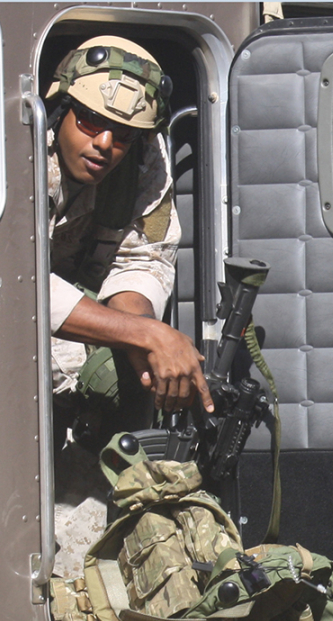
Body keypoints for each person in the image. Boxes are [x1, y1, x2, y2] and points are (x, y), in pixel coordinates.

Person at [43, 36, 211, 576]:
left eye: (124, 133)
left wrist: (138, 329)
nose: (105, 143)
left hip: (81, 307)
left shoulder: (143, 156)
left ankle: (99, 546)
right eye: (90, 121)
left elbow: (146, 256)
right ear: (61, 109)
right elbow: (8, 280)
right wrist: (144, 336)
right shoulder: (21, 150)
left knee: (127, 377)